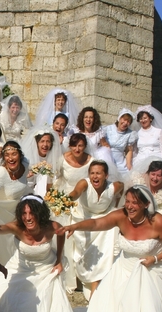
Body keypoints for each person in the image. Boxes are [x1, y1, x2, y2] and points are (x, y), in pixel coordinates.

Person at [68, 160, 124, 300]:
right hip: (84, 219)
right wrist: (67, 199)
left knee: (110, 235)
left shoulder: (114, 186)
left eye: (98, 173)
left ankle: (100, 280)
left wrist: (115, 204)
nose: (95, 176)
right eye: (92, 173)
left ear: (106, 175)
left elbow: (122, 187)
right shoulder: (84, 183)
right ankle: (87, 277)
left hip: (104, 220)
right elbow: (76, 192)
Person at [53, 133, 94, 293]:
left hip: (82, 201)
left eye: (81, 146)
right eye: (74, 145)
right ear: (70, 146)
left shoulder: (91, 160)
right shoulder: (62, 159)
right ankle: (65, 275)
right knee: (64, 238)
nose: (77, 149)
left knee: (81, 240)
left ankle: (81, 276)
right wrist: (57, 200)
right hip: (64, 199)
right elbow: (56, 178)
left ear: (85, 146)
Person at [103, 108, 137, 178]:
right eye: (124, 119)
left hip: (120, 161)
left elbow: (129, 150)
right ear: (119, 118)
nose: (125, 123)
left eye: (128, 121)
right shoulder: (108, 129)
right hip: (107, 157)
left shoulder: (130, 134)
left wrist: (129, 164)